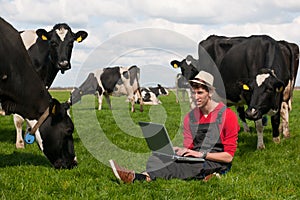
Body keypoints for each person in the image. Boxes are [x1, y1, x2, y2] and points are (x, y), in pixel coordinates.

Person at [109, 70, 240, 183]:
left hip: (215, 160)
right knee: (157, 157)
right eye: (193, 93)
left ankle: (140, 178)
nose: (195, 97)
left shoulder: (227, 116)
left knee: (189, 166)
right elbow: (189, 147)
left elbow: (228, 157)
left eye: (200, 93)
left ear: (210, 93)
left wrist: (202, 154)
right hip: (195, 157)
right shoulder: (191, 117)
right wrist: (178, 150)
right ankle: (205, 176)